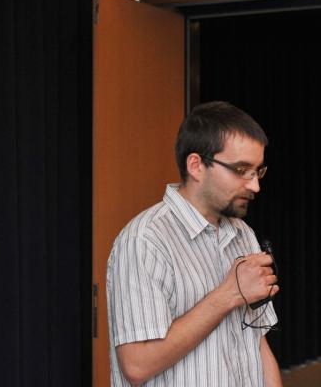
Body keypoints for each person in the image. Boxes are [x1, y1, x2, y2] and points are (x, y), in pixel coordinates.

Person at [106, 101, 282, 387]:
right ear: (197, 165)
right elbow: (137, 365)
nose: (255, 186)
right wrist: (228, 294)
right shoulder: (145, 240)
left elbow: (257, 341)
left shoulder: (243, 234)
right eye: (241, 170)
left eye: (257, 171)